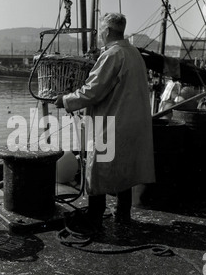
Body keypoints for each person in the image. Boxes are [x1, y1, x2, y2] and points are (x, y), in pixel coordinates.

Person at [55, 13, 155, 231]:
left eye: (101, 32)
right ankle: (122, 215)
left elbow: (92, 91)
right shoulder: (135, 54)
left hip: (113, 123)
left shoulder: (113, 54)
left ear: (107, 31)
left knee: (97, 168)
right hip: (133, 123)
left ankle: (94, 217)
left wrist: (65, 100)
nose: (100, 36)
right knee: (125, 170)